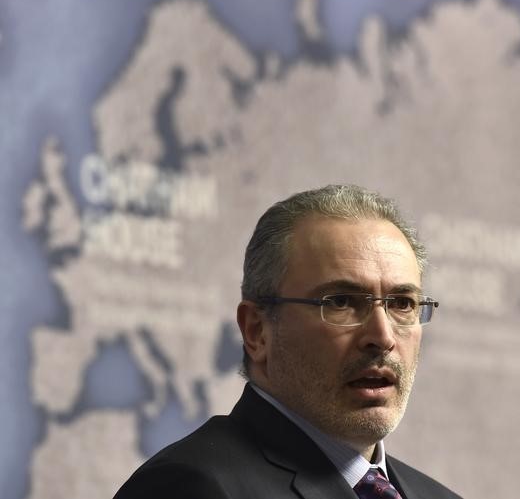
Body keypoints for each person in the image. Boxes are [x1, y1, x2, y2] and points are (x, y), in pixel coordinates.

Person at [114, 184, 461, 499]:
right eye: (340, 302)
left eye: (402, 304)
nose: (382, 337)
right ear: (257, 331)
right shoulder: (192, 487)